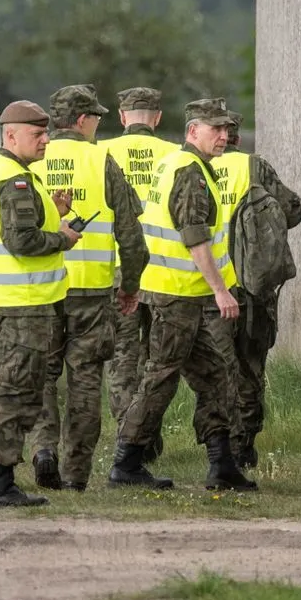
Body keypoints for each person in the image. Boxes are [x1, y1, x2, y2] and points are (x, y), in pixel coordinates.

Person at [108, 98, 256, 492]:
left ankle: (221, 464)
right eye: (215, 129)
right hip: (177, 297)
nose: (224, 136)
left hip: (178, 295)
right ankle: (127, 462)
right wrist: (221, 291)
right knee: (160, 377)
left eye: (226, 129)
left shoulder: (181, 164)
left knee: (215, 376)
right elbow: (194, 238)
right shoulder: (190, 171)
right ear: (193, 131)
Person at [0, 100, 82, 508]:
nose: (46, 140)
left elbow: (14, 228)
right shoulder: (14, 180)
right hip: (16, 305)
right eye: (37, 134)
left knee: (2, 390)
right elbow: (22, 242)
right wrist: (63, 239)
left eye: (46, 132)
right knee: (12, 394)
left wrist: (54, 214)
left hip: (0, 304)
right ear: (11, 135)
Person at [30, 84, 148, 492]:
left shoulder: (29, 159)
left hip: (40, 292)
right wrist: (130, 286)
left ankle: (44, 447)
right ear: (82, 121)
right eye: (96, 118)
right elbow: (131, 236)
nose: (98, 125)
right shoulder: (102, 161)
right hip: (92, 295)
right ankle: (75, 475)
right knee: (85, 382)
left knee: (42, 376)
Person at [214, 110, 301, 468]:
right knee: (250, 366)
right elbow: (292, 210)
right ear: (237, 138)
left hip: (206, 286)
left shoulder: (187, 168)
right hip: (250, 288)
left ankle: (216, 444)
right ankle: (243, 445)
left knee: (214, 369)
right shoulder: (254, 168)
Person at [101, 87, 179, 458]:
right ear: (158, 117)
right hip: (166, 272)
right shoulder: (176, 155)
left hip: (119, 271)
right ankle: (145, 433)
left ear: (121, 116)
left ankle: (127, 437)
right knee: (157, 360)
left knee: (123, 357)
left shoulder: (102, 154)